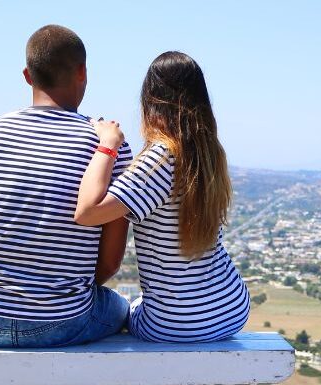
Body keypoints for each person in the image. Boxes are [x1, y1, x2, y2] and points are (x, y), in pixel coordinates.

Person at [0, 25, 133, 348]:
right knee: (122, 307)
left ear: (27, 76)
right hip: (62, 322)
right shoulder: (107, 147)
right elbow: (110, 264)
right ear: (83, 72)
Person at [74, 51, 250, 343]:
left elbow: (87, 212)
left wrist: (108, 145)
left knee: (120, 309)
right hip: (231, 308)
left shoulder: (161, 158)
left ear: (151, 103)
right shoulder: (209, 155)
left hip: (174, 323)